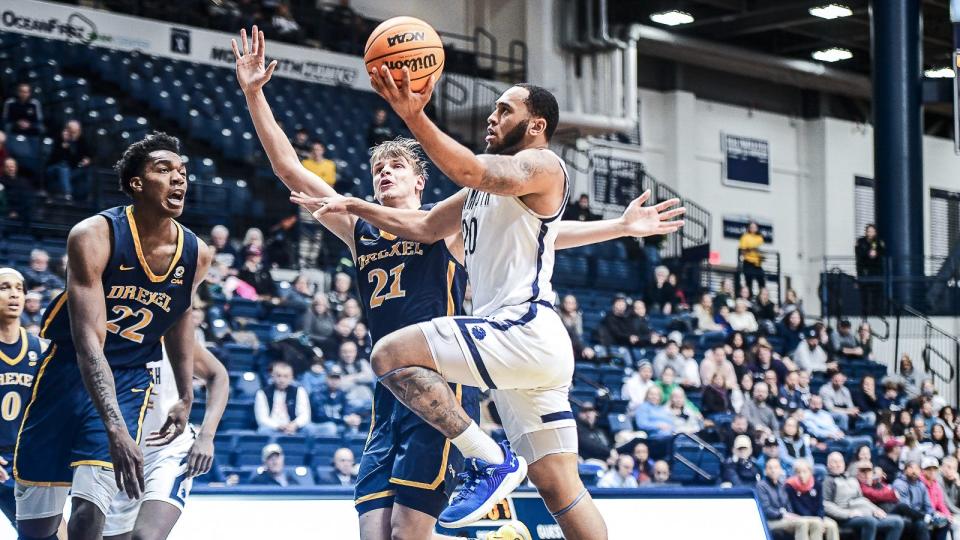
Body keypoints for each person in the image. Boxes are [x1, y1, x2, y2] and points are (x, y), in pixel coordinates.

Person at [236, 27, 674, 539]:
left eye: (397, 165)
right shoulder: (425, 218)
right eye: (378, 167)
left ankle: (489, 459)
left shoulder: (533, 167)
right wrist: (253, 93)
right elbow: (292, 170)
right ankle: (496, 463)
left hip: (468, 363)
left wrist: (414, 115)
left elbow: (475, 177)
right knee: (556, 484)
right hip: (405, 392)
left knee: (388, 363)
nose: (491, 117)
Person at [14, 132, 212, 540]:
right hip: (66, 374)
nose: (179, 179)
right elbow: (89, 343)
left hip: (129, 379)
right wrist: (116, 429)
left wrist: (186, 396)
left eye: (183, 171)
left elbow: (179, 318)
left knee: (90, 508)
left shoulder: (197, 253)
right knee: (36, 529)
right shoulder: (93, 235)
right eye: (164, 170)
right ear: (137, 184)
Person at [102, 340, 229, 540]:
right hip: (117, 457)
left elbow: (218, 375)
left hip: (167, 450)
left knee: (145, 537)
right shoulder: (102, 338)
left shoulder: (168, 334)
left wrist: (206, 436)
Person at [0, 269, 48, 530]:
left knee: (53, 534)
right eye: (5, 287)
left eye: (20, 288)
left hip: (23, 461)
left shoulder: (40, 349)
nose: (14, 294)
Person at [823, 453, 905, 540]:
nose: (838, 464)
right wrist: (848, 514)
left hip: (863, 513)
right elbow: (826, 504)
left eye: (840, 461)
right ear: (828, 464)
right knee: (870, 521)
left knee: (897, 521)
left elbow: (861, 498)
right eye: (834, 462)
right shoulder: (828, 481)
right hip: (845, 517)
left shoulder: (851, 479)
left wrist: (875, 509)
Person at [785, 459, 841, 540]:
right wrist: (817, 520)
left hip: (816, 517)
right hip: (800, 518)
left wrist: (821, 519)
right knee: (816, 523)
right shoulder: (790, 486)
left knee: (832, 525)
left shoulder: (817, 484)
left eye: (804, 472)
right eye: (798, 472)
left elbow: (820, 506)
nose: (801, 475)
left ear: (810, 472)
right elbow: (795, 507)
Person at [894, 460, 950, 540]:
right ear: (905, 470)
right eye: (911, 468)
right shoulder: (900, 483)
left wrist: (933, 515)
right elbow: (905, 509)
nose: (914, 471)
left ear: (919, 471)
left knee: (944, 522)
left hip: (922, 516)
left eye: (916, 469)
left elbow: (928, 506)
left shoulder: (920, 484)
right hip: (907, 518)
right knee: (922, 524)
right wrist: (925, 517)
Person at [254, 360, 311, 435]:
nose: (282, 380)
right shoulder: (262, 393)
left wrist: (294, 425)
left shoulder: (300, 391)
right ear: (272, 376)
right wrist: (278, 426)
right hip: (273, 429)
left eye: (286, 376)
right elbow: (262, 419)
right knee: (262, 431)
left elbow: (305, 415)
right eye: (278, 376)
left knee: (315, 428)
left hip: (295, 428)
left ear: (291, 377)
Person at [46, 119, 92, 202]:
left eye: (77, 131)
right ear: (67, 130)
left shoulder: (81, 141)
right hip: (54, 167)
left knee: (88, 171)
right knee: (63, 167)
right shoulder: (58, 139)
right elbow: (53, 158)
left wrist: (87, 159)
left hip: (73, 168)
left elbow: (85, 156)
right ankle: (67, 194)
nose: (75, 134)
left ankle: (86, 197)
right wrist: (64, 144)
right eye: (73, 131)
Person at [855, 224, 886, 315]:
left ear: (875, 232)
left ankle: (876, 313)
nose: (870, 233)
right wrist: (868, 254)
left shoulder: (879, 241)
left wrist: (876, 254)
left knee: (876, 294)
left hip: (876, 271)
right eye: (868, 231)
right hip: (864, 271)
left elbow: (883, 253)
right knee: (865, 295)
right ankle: (865, 313)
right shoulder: (861, 241)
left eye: (872, 231)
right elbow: (859, 254)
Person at [739, 221, 765, 294]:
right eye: (751, 227)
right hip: (748, 262)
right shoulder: (745, 237)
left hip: (758, 264)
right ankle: (749, 297)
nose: (753, 228)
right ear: (749, 228)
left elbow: (761, 249)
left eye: (755, 227)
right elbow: (742, 250)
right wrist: (752, 249)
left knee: (761, 281)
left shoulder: (760, 237)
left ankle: (760, 298)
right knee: (749, 283)